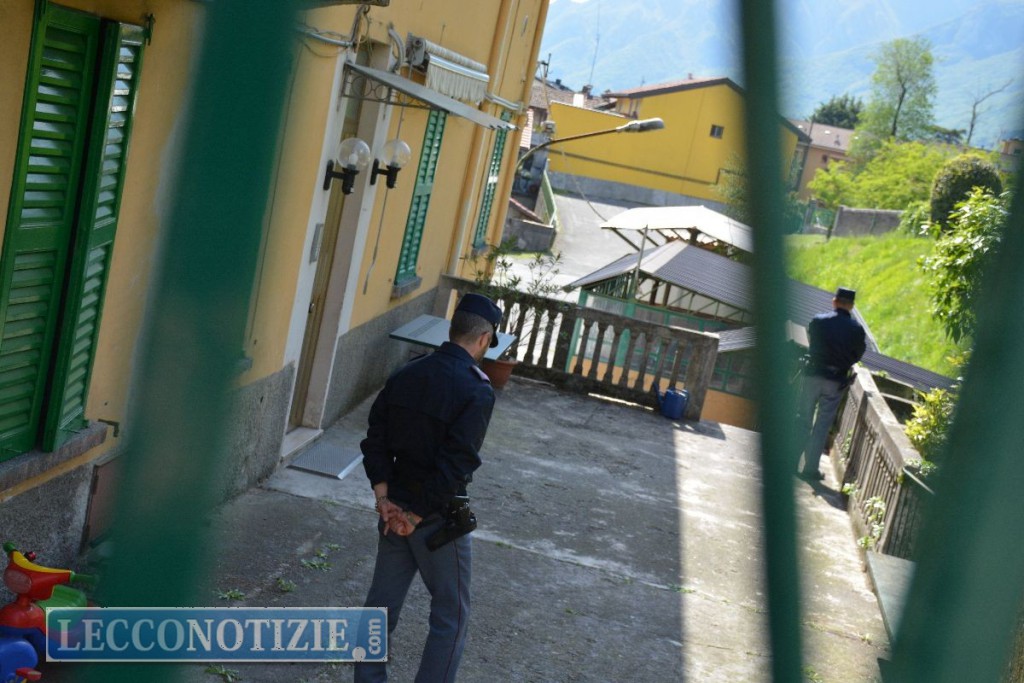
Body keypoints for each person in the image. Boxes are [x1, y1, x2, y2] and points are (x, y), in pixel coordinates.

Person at [354, 292, 502, 683]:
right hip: (437, 519)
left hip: (393, 508)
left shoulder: (408, 373)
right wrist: (415, 516)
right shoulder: (477, 389)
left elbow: (375, 439)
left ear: (452, 330)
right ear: (484, 339)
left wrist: (385, 501)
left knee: (379, 608)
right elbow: (456, 465)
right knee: (451, 616)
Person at [795, 287, 866, 481]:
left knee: (803, 420)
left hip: (812, 375)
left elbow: (812, 341)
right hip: (835, 381)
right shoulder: (857, 330)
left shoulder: (818, 321)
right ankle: (810, 469)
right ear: (851, 306)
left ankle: (791, 462)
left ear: (834, 301)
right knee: (822, 425)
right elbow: (858, 354)